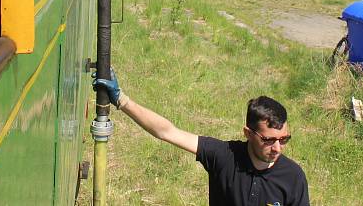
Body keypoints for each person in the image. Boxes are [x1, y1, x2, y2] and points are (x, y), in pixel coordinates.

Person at [94, 69, 310, 206]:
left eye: (283, 139)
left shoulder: (293, 177)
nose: (277, 148)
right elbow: (167, 132)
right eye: (269, 140)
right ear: (247, 133)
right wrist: (122, 100)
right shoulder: (224, 156)